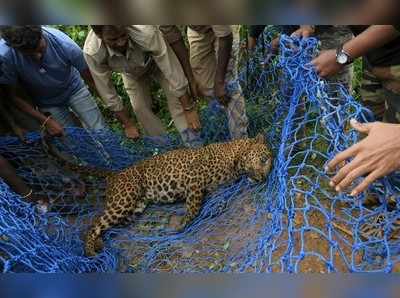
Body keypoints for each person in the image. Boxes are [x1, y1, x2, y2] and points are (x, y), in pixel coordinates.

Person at [84, 25, 201, 146]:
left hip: (156, 63)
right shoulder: (92, 52)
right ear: (99, 36)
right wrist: (127, 124)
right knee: (140, 108)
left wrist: (188, 108)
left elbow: (171, 69)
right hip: (131, 74)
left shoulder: (146, 32)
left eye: (123, 35)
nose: (120, 42)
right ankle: (165, 149)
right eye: (113, 40)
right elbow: (107, 92)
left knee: (176, 100)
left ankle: (194, 144)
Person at [318, 26, 400, 194]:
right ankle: (378, 193)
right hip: (375, 59)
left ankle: (394, 203)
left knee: (391, 143)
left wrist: (340, 56)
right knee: (371, 130)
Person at [0, 25, 107, 131]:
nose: (37, 56)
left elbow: (90, 78)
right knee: (71, 140)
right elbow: (14, 96)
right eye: (29, 55)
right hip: (47, 102)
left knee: (100, 130)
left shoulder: (64, 44)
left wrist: (109, 103)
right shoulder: (5, 57)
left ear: (41, 35)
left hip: (75, 89)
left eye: (40, 50)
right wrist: (46, 121)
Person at [161, 25, 249, 140]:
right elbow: (174, 39)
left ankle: (241, 141)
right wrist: (191, 78)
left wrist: (219, 81)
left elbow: (226, 36)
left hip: (224, 26)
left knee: (228, 83)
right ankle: (223, 126)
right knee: (203, 86)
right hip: (197, 29)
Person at [311, 25, 400, 122]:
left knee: (393, 131)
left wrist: (340, 56)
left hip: (395, 64)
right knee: (367, 122)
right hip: (373, 57)